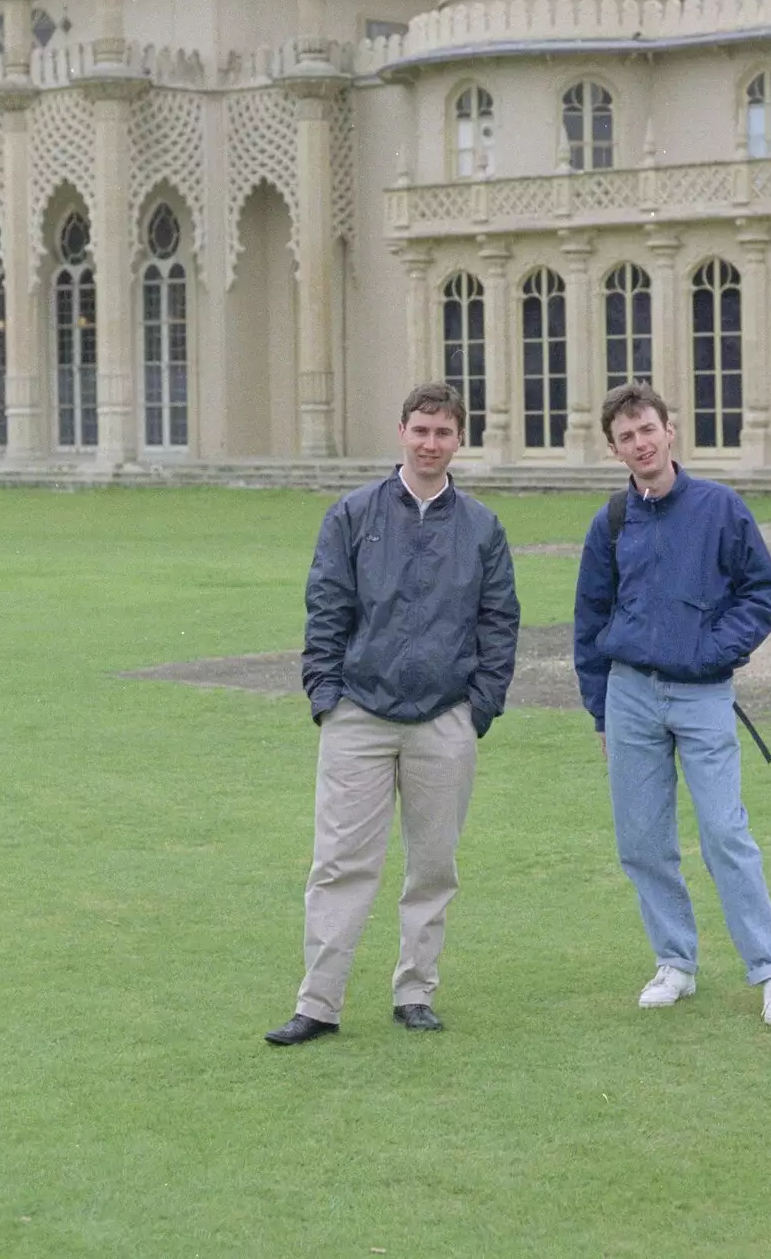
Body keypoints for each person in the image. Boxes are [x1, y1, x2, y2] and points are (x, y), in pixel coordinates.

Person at [266, 383, 520, 1045]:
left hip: (444, 718)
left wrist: (479, 706)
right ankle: (318, 1002)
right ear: (401, 432)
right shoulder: (353, 515)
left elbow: (499, 622)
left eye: (443, 433)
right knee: (341, 862)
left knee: (432, 866)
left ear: (459, 440)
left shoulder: (483, 528)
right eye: (420, 431)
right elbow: (327, 608)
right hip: (360, 715)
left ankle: (415, 991)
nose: (430, 443)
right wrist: (326, 696)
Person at [573, 383, 771, 1027]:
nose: (640, 443)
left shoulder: (720, 508)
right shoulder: (611, 522)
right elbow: (590, 620)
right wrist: (600, 711)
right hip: (630, 697)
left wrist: (711, 651)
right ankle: (675, 961)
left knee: (725, 833)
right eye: (626, 437)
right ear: (614, 450)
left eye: (648, 429)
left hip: (703, 696)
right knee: (642, 841)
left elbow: (763, 591)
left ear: (670, 431)